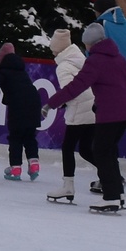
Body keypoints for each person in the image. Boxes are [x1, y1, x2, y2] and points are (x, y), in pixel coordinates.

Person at [46, 23, 126, 214]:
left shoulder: (95, 61)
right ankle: (117, 194)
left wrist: (51, 103)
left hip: (109, 114)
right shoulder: (119, 58)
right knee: (108, 151)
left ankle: (111, 197)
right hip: (123, 113)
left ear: (89, 44)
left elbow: (76, 86)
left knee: (101, 151)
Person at [45, 28, 93, 203]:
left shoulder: (64, 66)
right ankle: (112, 176)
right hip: (93, 109)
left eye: (53, 49)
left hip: (80, 110)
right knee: (87, 149)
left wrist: (55, 104)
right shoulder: (81, 59)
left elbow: (70, 91)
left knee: (67, 147)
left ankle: (68, 186)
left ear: (58, 49)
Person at [0, 43, 42, 182]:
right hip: (34, 103)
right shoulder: (21, 69)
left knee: (15, 137)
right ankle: (34, 165)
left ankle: (15, 168)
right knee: (29, 136)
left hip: (18, 105)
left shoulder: (2, 71)